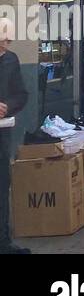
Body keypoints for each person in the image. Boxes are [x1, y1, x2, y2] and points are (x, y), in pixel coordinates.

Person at [0, 17, 30, 254]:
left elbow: (21, 94)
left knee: (2, 184)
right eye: (1, 40)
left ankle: (3, 241)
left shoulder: (10, 60)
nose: (5, 45)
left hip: (2, 132)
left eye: (8, 40)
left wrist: (7, 106)